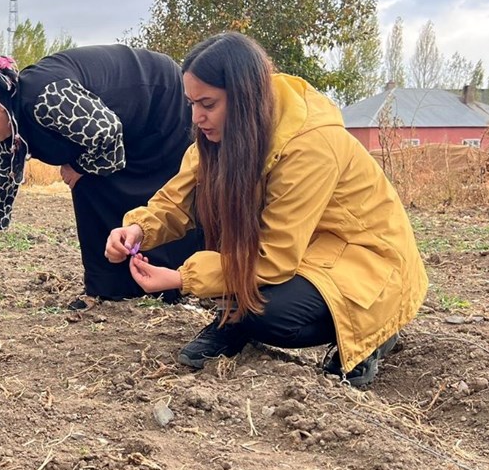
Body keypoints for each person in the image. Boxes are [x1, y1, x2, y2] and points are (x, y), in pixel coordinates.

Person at [106, 32, 427, 387]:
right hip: (307, 252)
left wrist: (185, 278)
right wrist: (138, 229)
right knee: (219, 212)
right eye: (192, 103)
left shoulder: (312, 145)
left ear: (244, 99)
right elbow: (177, 200)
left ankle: (372, 334)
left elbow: (274, 258)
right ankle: (233, 319)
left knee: (270, 314)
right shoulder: (221, 136)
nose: (196, 117)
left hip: (364, 262)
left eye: (208, 104)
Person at [0, 45, 201, 309]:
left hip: (159, 99)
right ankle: (112, 288)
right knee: (88, 183)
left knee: (153, 192)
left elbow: (106, 132)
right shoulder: (12, 127)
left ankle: (171, 282)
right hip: (125, 123)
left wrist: (77, 166)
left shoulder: (43, 96)